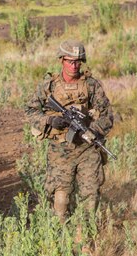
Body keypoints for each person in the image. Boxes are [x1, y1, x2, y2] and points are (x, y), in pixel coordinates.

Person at [25, 40, 114, 219]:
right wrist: (50, 120)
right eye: (70, 61)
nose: (74, 65)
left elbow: (107, 115)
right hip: (60, 150)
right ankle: (61, 238)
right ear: (61, 60)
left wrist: (93, 130)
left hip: (87, 149)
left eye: (78, 62)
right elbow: (30, 111)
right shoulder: (48, 85)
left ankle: (85, 238)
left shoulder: (91, 85)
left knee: (90, 197)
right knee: (61, 200)